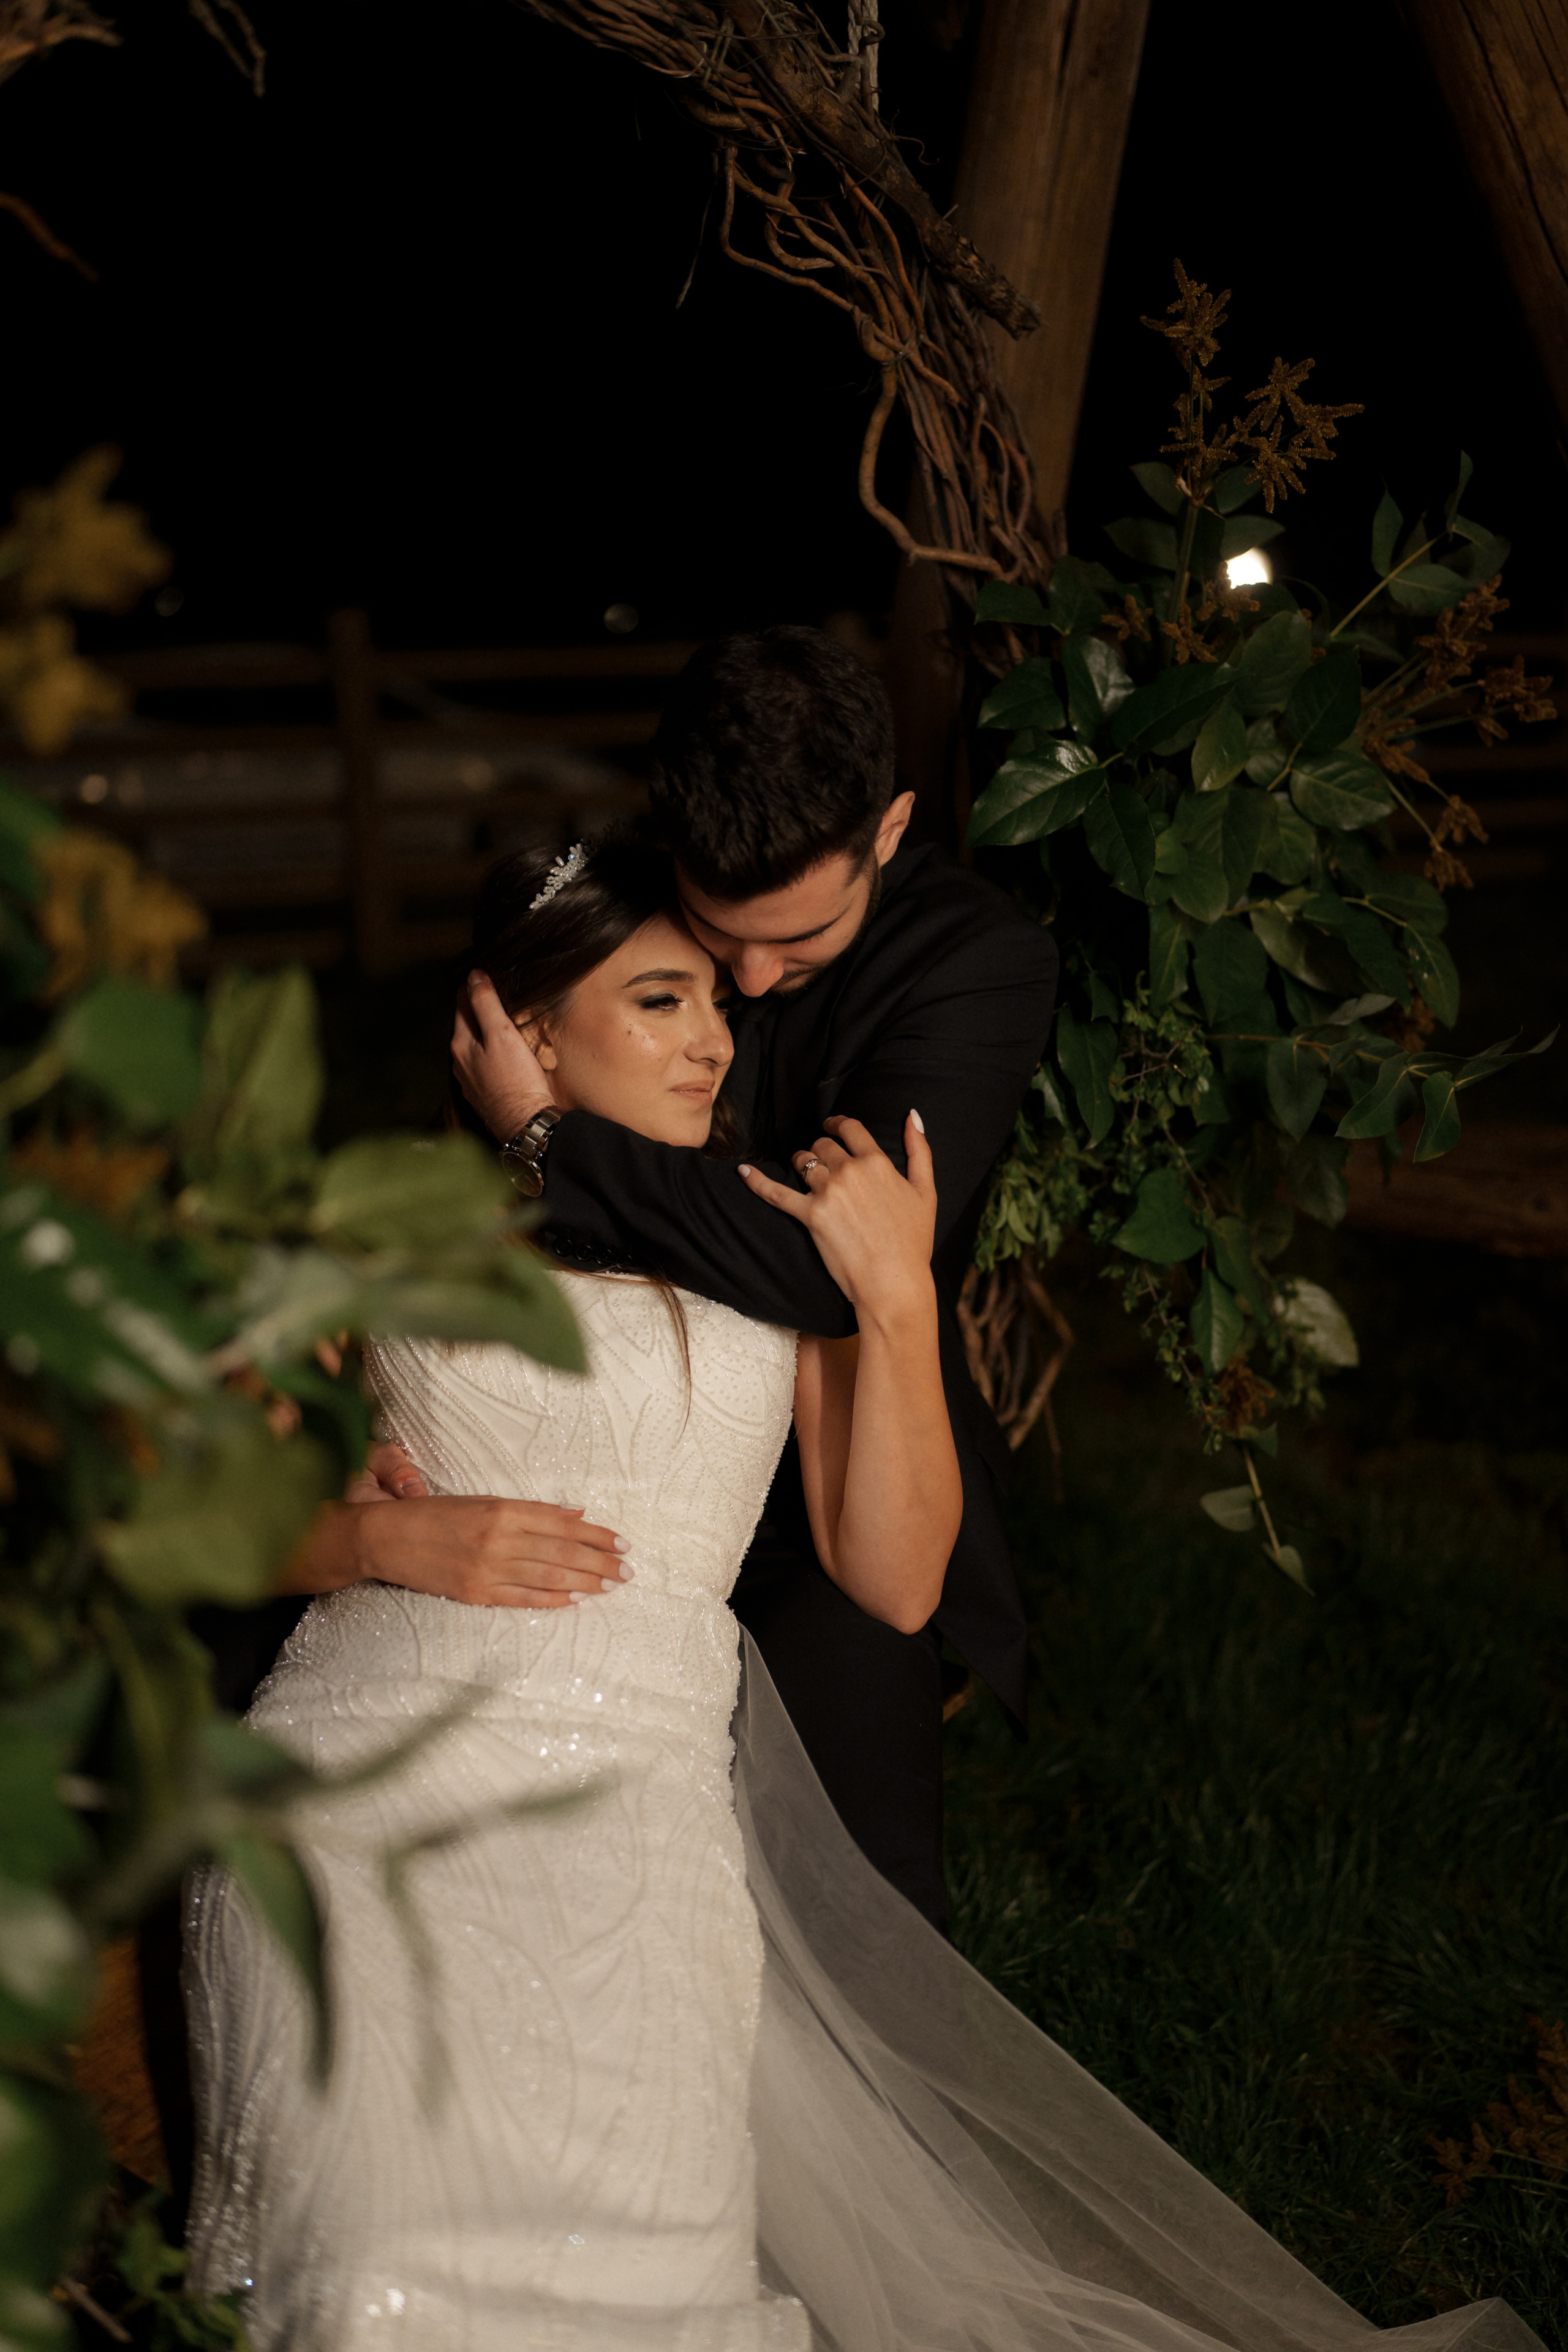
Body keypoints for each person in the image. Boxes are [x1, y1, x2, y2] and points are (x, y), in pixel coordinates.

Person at [184, 835, 1544, 2352]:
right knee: (369, 2274)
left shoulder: (781, 1235)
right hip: (363, 1775)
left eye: (718, 1004)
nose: (714, 1041)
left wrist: (894, 1296)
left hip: (631, 1804)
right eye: (659, 1001)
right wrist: (375, 1546)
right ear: (520, 1030)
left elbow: (891, 1582)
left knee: (643, 2281)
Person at [360, 625, 1059, 1927]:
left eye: (797, 940)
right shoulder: (623, 910)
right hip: (556, 1444)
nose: (746, 989)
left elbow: (819, 1274)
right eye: (712, 944)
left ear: (889, 830)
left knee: (855, 1789)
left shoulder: (973, 970)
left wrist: (548, 1140)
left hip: (819, 1461)